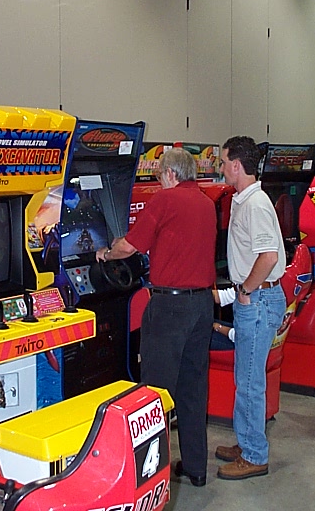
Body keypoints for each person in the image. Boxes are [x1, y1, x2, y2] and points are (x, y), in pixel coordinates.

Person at [95, 147, 216, 487]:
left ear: (171, 174)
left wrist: (105, 252)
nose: (161, 180)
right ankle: (196, 468)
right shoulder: (206, 203)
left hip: (169, 307)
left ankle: (152, 473)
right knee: (193, 389)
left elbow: (130, 247)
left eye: (161, 174)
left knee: (155, 393)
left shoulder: (165, 200)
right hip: (201, 305)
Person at [213, 136, 286, 481]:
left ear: (237, 165)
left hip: (259, 301)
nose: (220, 168)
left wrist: (244, 290)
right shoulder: (244, 200)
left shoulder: (255, 204)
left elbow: (268, 257)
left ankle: (255, 455)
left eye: (223, 162)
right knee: (245, 379)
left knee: (250, 382)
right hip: (254, 300)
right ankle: (246, 441)